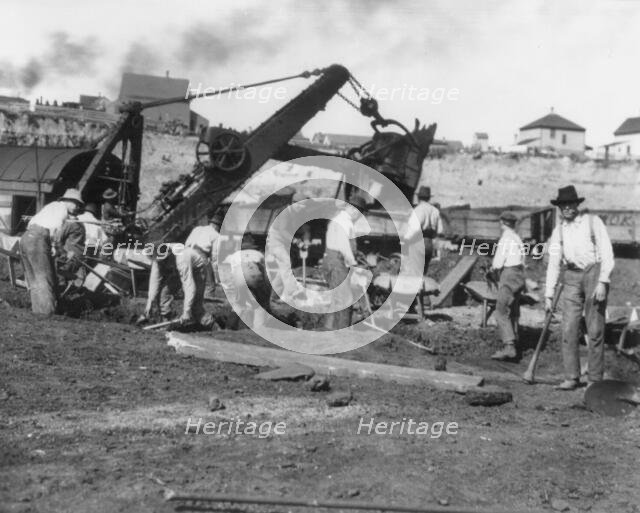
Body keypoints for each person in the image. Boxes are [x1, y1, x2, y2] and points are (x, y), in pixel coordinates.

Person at [545, 185, 614, 390]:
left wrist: (603, 281)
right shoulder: (559, 231)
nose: (566, 208)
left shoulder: (593, 223)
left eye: (570, 204)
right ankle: (571, 377)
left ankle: (594, 379)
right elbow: (554, 262)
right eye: (562, 205)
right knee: (569, 327)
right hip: (572, 276)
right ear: (559, 208)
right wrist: (548, 294)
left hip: (594, 273)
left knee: (595, 329)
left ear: (577, 204)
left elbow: (607, 253)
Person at [19, 188, 84, 315]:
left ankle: (38, 312)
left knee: (34, 279)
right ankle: (49, 314)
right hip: (38, 239)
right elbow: (54, 231)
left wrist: (51, 247)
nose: (77, 207)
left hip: (26, 237)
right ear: (67, 201)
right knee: (45, 277)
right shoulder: (62, 209)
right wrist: (63, 251)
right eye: (76, 203)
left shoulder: (51, 207)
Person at [321, 195, 366, 329]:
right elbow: (344, 247)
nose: (360, 216)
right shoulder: (345, 222)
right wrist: (354, 264)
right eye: (361, 213)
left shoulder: (337, 219)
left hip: (330, 260)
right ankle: (342, 332)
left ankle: (329, 328)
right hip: (338, 263)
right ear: (355, 210)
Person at [490, 211, 526, 360]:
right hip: (519, 274)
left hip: (509, 274)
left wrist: (492, 269)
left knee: (501, 311)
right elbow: (523, 260)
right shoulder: (517, 238)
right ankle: (515, 338)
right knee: (514, 309)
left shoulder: (505, 238)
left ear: (502, 223)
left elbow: (498, 262)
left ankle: (509, 346)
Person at [222, 234, 272, 329]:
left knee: (238, 304)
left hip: (238, 275)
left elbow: (230, 275)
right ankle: (259, 328)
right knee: (260, 305)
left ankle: (228, 328)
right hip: (253, 273)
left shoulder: (234, 255)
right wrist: (266, 298)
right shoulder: (259, 254)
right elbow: (265, 275)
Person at [403, 186, 444, 277]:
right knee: (423, 273)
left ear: (418, 197)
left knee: (414, 273)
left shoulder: (418, 210)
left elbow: (415, 228)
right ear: (429, 198)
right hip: (429, 244)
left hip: (418, 243)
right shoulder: (435, 211)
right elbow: (440, 230)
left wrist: (405, 240)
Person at [185, 212, 222, 299]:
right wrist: (215, 272)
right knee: (210, 277)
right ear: (217, 226)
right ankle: (208, 295)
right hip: (200, 253)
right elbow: (215, 256)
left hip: (186, 251)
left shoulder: (197, 228)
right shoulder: (216, 235)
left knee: (189, 275)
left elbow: (187, 242)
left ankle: (189, 294)